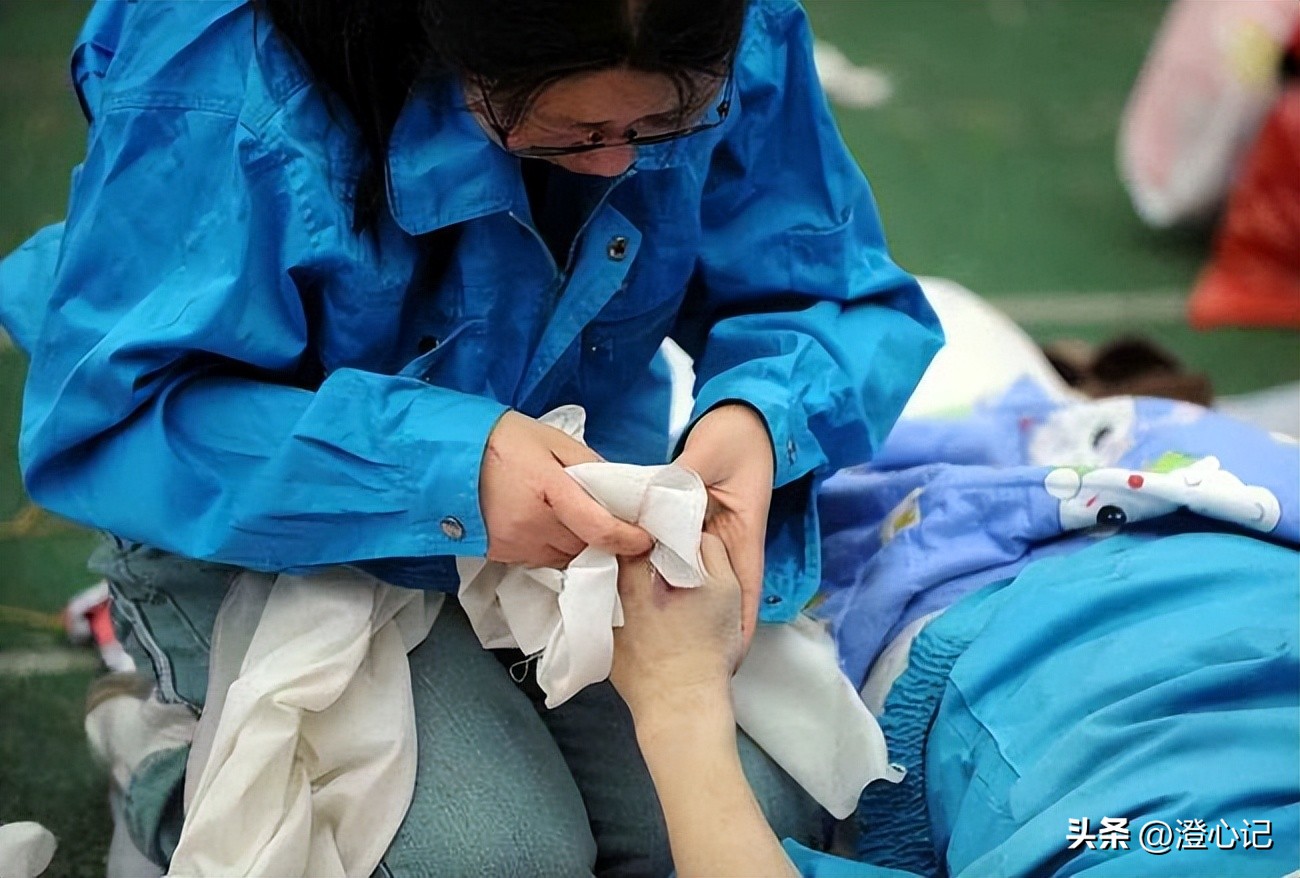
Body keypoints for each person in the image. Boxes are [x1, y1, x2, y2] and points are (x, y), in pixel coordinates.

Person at [0, 0, 943, 873]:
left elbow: (826, 285)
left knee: (759, 812)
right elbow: (112, 421)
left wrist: (759, 416)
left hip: (553, 479)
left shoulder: (723, 21)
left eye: (665, 126)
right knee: (494, 860)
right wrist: (444, 470)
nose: (618, 164)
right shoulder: (220, 77)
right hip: (257, 499)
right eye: (573, 131)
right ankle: (166, 755)